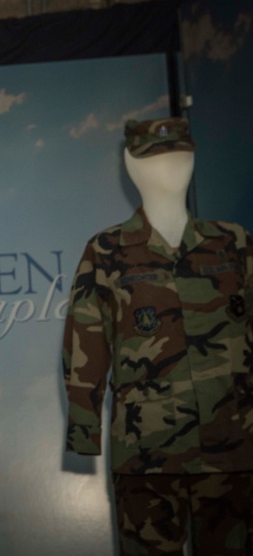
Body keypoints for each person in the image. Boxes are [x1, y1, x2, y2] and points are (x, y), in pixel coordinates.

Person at [63, 118, 252, 555]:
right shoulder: (106, 250)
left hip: (234, 448)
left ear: (193, 158)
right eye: (154, 158)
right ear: (131, 163)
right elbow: (85, 344)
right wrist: (84, 430)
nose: (170, 169)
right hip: (147, 451)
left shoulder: (233, 245)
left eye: (180, 156)